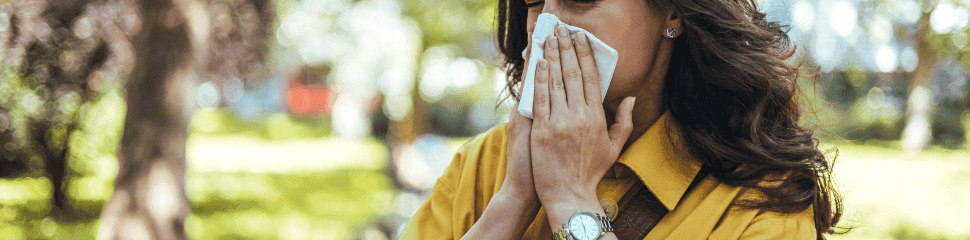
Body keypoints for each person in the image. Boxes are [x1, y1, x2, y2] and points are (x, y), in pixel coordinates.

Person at [401, 0, 845, 238]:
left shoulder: (760, 204)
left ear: (672, 11)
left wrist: (572, 201)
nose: (545, 25)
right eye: (533, 1)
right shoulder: (485, 161)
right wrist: (514, 200)